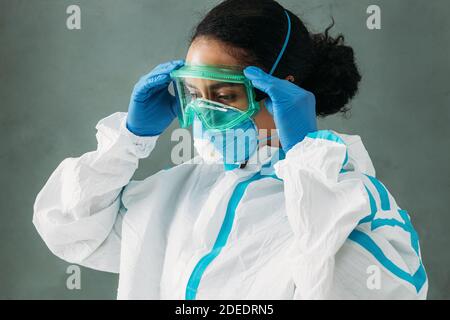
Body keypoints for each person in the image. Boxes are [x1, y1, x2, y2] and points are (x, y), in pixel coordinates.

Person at [33, 0, 427, 299]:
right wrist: (130, 138)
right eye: (193, 94)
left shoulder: (350, 201)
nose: (205, 115)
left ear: (280, 91)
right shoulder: (177, 191)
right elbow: (69, 229)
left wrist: (307, 158)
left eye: (223, 95)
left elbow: (340, 283)